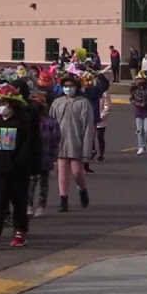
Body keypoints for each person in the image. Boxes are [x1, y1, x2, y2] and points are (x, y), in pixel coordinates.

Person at [0, 83, 40, 248]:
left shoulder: (23, 122)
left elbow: (28, 145)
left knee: (19, 200)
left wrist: (20, 162)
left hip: (18, 170)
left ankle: (20, 231)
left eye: (3, 103)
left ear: (12, 103)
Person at [49, 73, 93, 211]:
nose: (68, 88)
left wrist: (86, 149)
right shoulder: (58, 102)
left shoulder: (83, 103)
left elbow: (88, 127)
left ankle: (82, 189)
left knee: (77, 172)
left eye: (71, 86)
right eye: (65, 86)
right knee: (62, 171)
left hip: (76, 142)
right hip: (60, 142)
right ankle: (63, 199)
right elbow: (50, 123)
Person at [26, 92, 60, 218]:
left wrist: (54, 157)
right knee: (31, 182)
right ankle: (28, 205)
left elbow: (55, 141)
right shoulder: (27, 121)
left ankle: (41, 206)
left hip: (45, 156)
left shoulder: (51, 122)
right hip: (32, 157)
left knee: (43, 183)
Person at [129, 73, 147, 154]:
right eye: (139, 79)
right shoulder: (134, 89)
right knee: (139, 130)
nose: (140, 81)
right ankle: (141, 146)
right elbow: (131, 99)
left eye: (142, 79)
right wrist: (137, 103)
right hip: (138, 111)